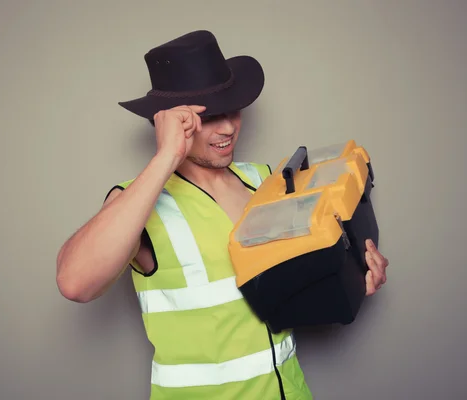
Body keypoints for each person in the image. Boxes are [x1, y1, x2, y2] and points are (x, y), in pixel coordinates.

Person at [56, 30, 389, 400]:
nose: (228, 127)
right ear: (167, 121)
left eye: (232, 108)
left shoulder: (266, 181)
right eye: (210, 116)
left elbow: (297, 281)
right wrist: (166, 157)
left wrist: (355, 273)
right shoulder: (137, 202)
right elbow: (75, 282)